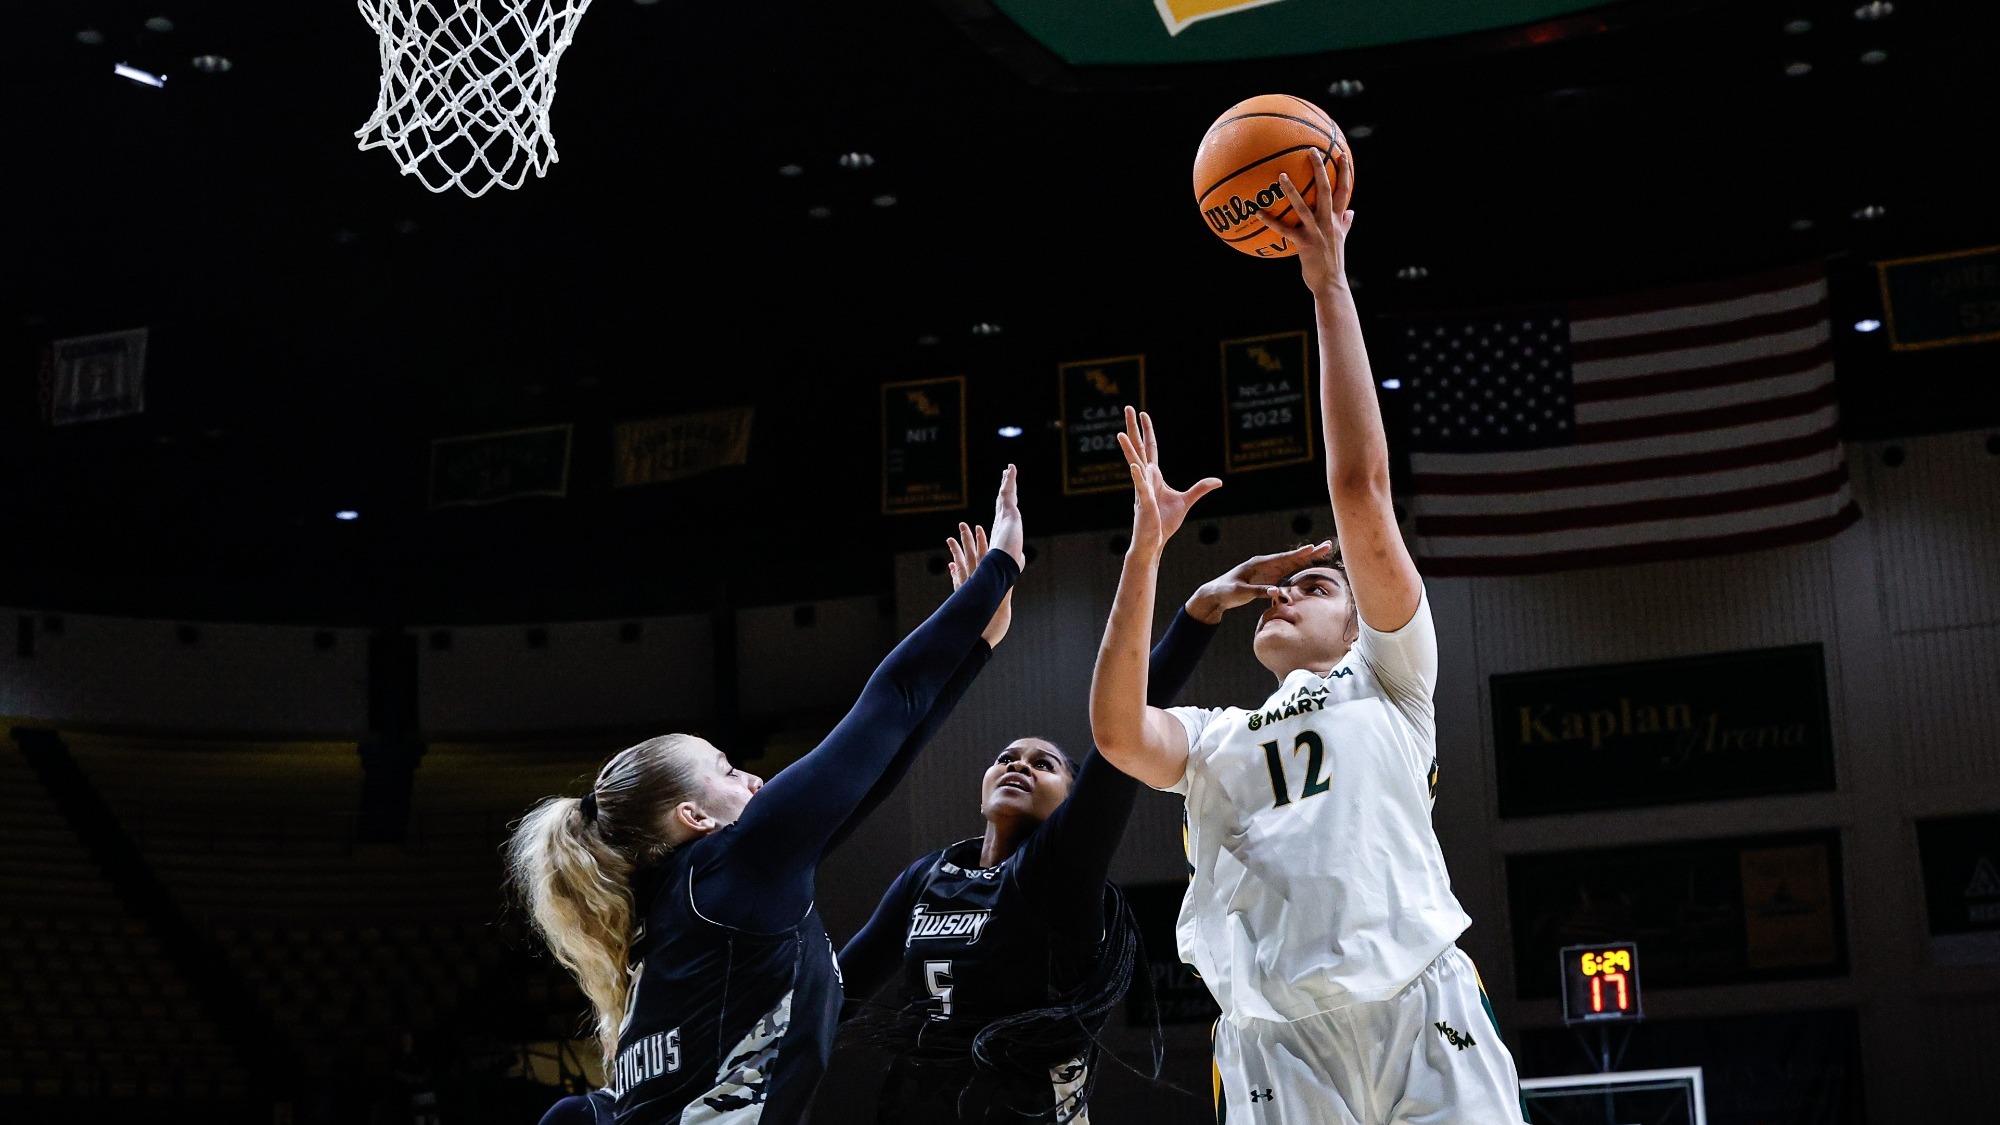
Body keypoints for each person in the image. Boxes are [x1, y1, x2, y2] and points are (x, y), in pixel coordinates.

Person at [1088, 147, 1526, 1124]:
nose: (1281, 595)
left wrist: (1328, 288)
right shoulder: (1212, 739)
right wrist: (1145, 554)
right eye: (1278, 590)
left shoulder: (1391, 678)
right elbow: (1117, 734)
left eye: (1313, 584)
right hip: (1268, 1038)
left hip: (1421, 1009)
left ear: (1357, 617)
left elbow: (1358, 493)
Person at [507, 466, 1026, 1125]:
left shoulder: (689, 913)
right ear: (693, 816)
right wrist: (999, 568)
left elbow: (876, 770)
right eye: (725, 769)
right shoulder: (732, 867)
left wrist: (978, 643)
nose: (753, 779)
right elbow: (886, 706)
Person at [838, 513, 1228, 1124]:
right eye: (1005, 758)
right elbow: (840, 988)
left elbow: (1120, 733)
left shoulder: (1058, 878)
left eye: (1045, 764)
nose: (1019, 765)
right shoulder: (927, 876)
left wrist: (1197, 614)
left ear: (1073, 799)